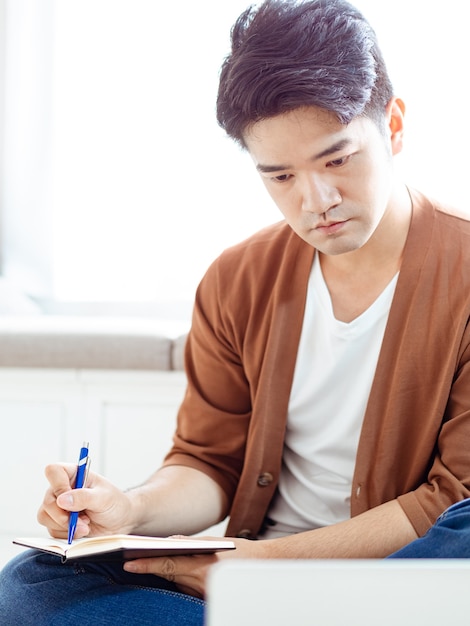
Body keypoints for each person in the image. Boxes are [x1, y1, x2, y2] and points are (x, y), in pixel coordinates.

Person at [2, 0, 470, 623]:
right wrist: (131, 510)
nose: (316, 201)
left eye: (337, 159)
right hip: (247, 572)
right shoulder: (236, 278)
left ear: (396, 124)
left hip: (384, 569)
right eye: (279, 176)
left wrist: (256, 571)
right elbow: (207, 462)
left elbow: (447, 499)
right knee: (32, 584)